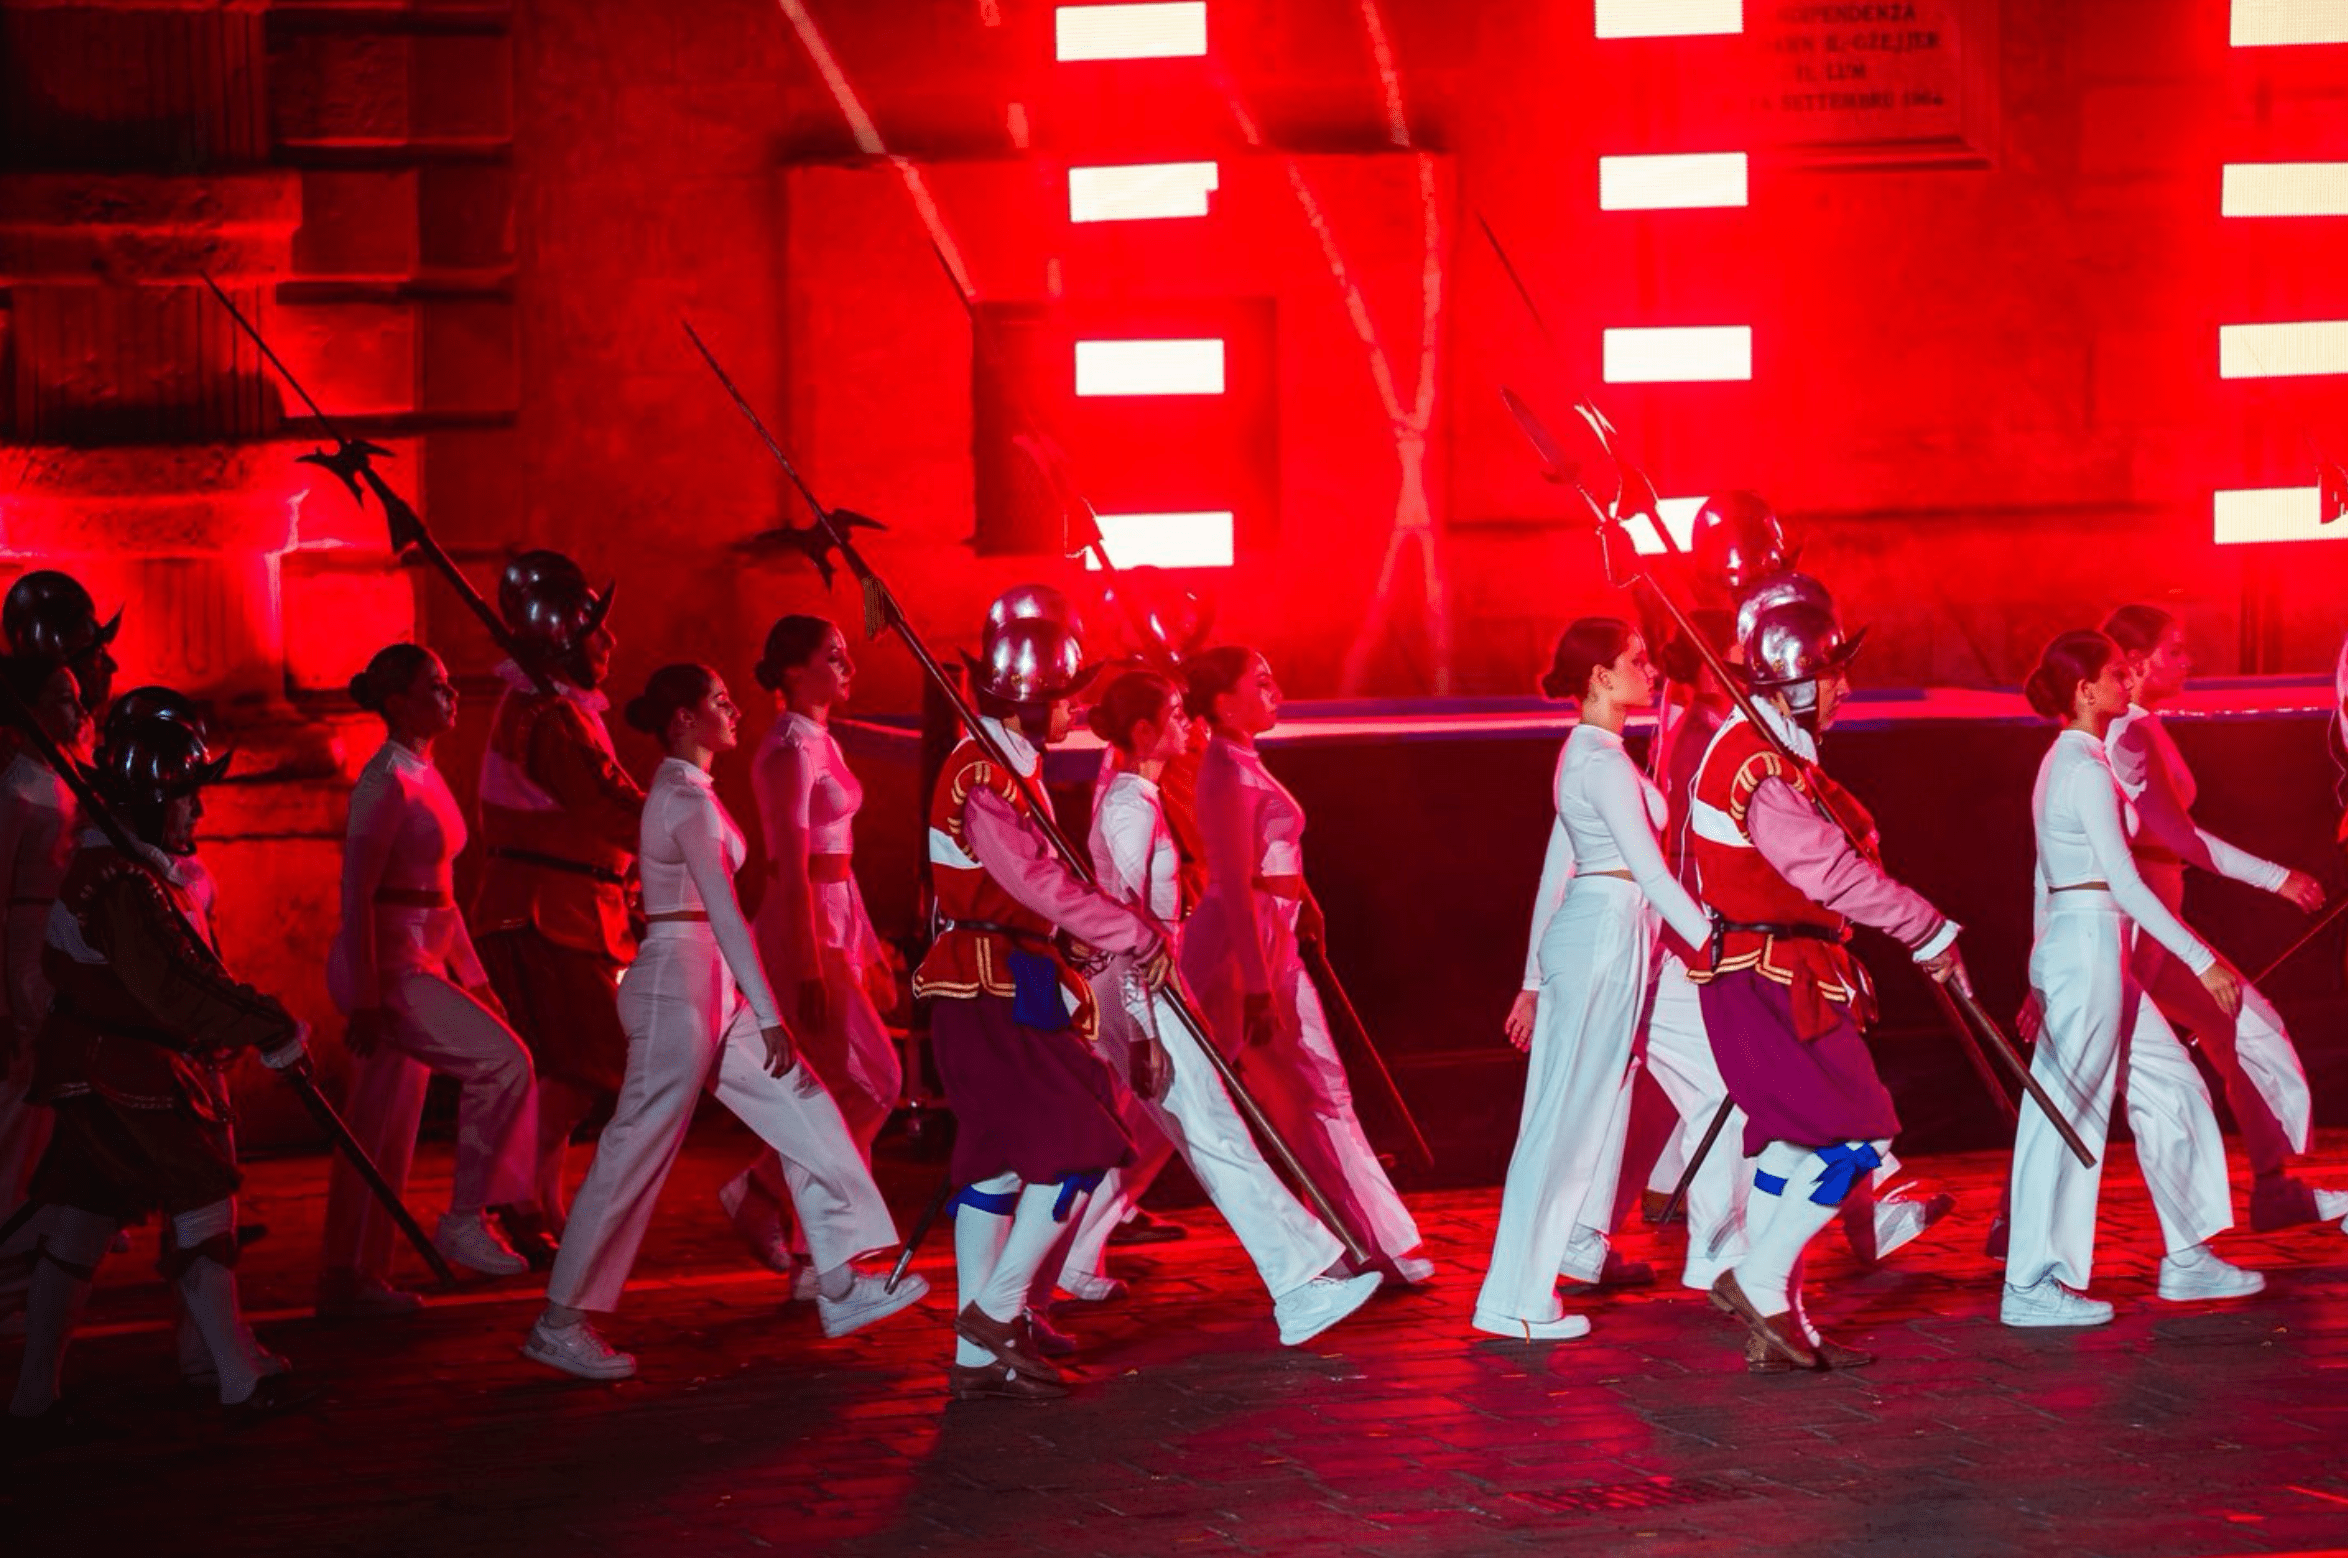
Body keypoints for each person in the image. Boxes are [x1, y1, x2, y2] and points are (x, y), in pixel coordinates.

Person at [521, 665, 921, 1381]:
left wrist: (748, 1005)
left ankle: (836, 1282)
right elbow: (726, 914)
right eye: (717, 701)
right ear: (681, 720)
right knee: (636, 1147)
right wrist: (768, 1012)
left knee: (801, 1105)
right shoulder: (683, 800)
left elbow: (721, 922)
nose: (733, 708)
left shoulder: (694, 795)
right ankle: (559, 1322)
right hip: (677, 985)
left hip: (705, 980)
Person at [1687, 586, 1966, 1372]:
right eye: (1833, 673)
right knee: (1857, 1140)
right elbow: (1829, 873)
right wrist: (1926, 926)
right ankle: (1760, 1277)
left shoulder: (1775, 753)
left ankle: (1782, 1316)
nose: (1845, 688)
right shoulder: (1755, 763)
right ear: (1791, 675)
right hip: (1769, 977)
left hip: (1780, 973)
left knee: (1798, 1142)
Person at [1058, 668, 1382, 1342]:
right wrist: (1145, 1028)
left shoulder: (1140, 797)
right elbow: (1119, 930)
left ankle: (1055, 1268)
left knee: (1193, 1133)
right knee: (1216, 1134)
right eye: (1176, 714)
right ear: (1145, 731)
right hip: (1145, 993)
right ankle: (1300, 1284)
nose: (1187, 724)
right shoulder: (1128, 805)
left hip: (1156, 989)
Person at [6, 716, 307, 1431]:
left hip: (114, 1063)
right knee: (201, 1193)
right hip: (120, 1068)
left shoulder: (132, 872)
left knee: (81, 1220)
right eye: (185, 796)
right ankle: (235, 1373)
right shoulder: (115, 882)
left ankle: (32, 1392)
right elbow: (169, 983)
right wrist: (266, 1023)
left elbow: (184, 977)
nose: (196, 810)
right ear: (148, 800)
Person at [912, 599, 1164, 1402]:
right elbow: (1030, 878)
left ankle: (978, 1353)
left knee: (997, 1162)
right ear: (1028, 697)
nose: (1076, 709)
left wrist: (1077, 936)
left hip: (1011, 973)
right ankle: (994, 1312)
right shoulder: (983, 769)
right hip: (986, 981)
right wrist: (1123, 927)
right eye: (1064, 695)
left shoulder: (1006, 763)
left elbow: (1024, 891)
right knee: (1082, 1138)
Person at [2003, 630, 2262, 1327]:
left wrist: (2035, 969)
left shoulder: (2076, 761)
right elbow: (2120, 878)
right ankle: (2031, 1281)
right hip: (2089, 941)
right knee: (2067, 1110)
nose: (2130, 681)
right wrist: (2201, 958)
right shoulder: (2082, 767)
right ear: (2086, 691)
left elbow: (2042, 876)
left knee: (2169, 1083)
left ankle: (2188, 1256)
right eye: (2117, 673)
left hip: (2088, 942)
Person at [1476, 621, 1723, 1343]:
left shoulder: (1591, 755)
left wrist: (1530, 979)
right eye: (1636, 663)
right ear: (1598, 679)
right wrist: (1713, 941)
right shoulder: (1601, 762)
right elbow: (1645, 869)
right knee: (1563, 1118)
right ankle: (1515, 1295)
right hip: (1606, 933)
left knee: (1576, 1113)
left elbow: (1557, 870)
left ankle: (1542, 1272)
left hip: (1609, 932)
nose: (1649, 672)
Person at [1180, 646, 1431, 1284]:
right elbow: (1233, 883)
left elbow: (1274, 856)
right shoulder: (1221, 769)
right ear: (1221, 702)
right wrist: (1259, 984)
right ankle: (1349, 1242)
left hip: (1274, 944)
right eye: (1260, 682)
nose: (1276, 690)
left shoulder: (1245, 762)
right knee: (1269, 1102)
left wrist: (1308, 904)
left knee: (1319, 1092)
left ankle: (1366, 1238)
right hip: (1241, 953)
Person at [2100, 604, 2341, 1231]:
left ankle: (2273, 1187)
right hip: (2138, 920)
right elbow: (2180, 837)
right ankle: (2020, 1220)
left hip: (2152, 914)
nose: (2188, 660)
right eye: (2175, 650)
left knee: (2238, 1024)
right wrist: (2277, 877)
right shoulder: (2130, 728)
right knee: (2091, 1071)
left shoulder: (2135, 726)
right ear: (2137, 662)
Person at [317, 645, 541, 1315]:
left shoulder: (423, 772)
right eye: (435, 687)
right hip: (388, 971)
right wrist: (364, 995)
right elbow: (355, 892)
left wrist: (471, 977)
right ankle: (467, 1214)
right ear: (397, 702)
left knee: (384, 1124)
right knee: (503, 1064)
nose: (450, 696)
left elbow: (439, 898)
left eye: (448, 684)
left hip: (415, 962)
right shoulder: (385, 780)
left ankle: (352, 1276)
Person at [718, 616, 904, 1288]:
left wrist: (868, 944)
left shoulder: (823, 740)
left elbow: (840, 861)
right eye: (833, 657)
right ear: (793, 670)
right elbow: (792, 868)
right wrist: (804, 963)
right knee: (866, 1082)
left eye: (847, 655)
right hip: (801, 930)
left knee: (856, 1088)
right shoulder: (788, 749)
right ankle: (813, 1243)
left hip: (835, 923)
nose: (847, 667)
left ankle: (776, 1202)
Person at [470, 551, 637, 1259]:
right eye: (596, 630)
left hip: (569, 903)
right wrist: (681, 818)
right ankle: (515, 1197)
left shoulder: (557, 709)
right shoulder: (552, 719)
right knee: (588, 1062)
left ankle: (540, 1198)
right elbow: (604, 803)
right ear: (564, 635)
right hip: (549, 907)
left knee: (572, 1065)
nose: (610, 643)